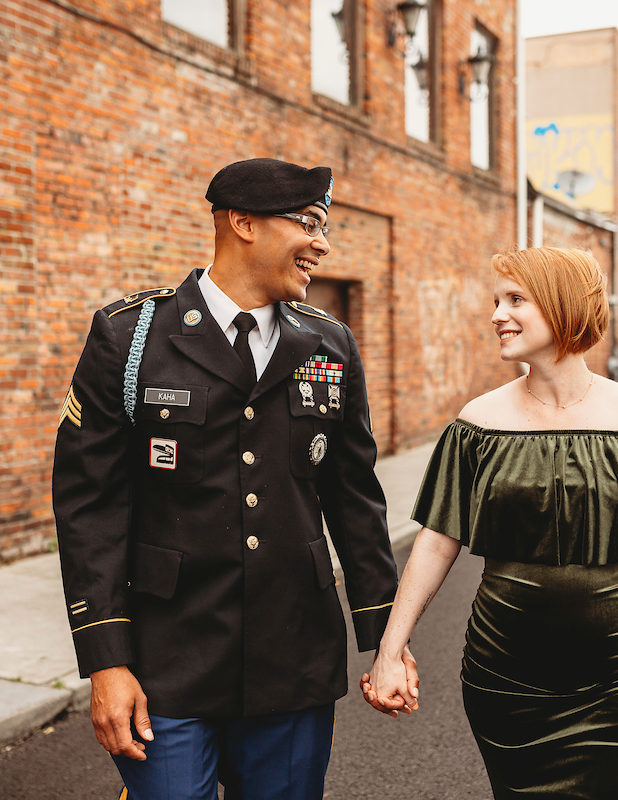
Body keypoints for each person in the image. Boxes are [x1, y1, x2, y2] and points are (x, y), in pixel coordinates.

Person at [52, 158, 400, 800]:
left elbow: (353, 496)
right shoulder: (130, 338)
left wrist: (386, 636)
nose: (322, 244)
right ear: (242, 222)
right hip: (166, 660)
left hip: (294, 655)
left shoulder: (328, 346)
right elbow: (89, 508)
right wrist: (105, 658)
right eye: (310, 223)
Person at [363, 247, 618, 799]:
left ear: (563, 305)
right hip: (509, 678)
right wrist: (390, 650)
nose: (497, 314)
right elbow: (436, 540)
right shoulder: (478, 423)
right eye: (497, 300)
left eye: (515, 299)